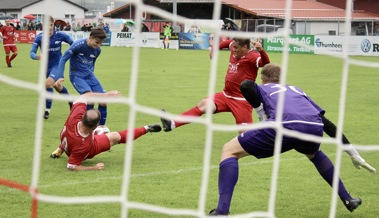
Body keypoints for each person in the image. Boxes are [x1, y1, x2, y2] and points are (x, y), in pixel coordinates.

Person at [208, 64, 376, 215]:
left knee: (229, 150)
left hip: (282, 125)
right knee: (314, 153)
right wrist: (352, 152)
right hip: (312, 127)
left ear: (262, 78)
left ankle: (222, 211)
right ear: (281, 79)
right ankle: (348, 199)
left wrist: (261, 114)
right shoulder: (297, 90)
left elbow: (245, 85)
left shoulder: (264, 88)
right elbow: (326, 123)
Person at [160, 38, 270, 133]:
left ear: (245, 47)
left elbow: (266, 64)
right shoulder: (233, 46)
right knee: (204, 105)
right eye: (233, 47)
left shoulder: (253, 56)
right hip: (225, 95)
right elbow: (228, 43)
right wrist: (215, 49)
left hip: (241, 100)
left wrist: (261, 51)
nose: (233, 49)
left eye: (236, 48)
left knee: (246, 136)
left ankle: (268, 134)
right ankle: (172, 124)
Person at [50, 85, 162, 171]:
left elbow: (84, 96)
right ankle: (62, 148)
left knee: (112, 135)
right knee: (114, 137)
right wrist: (94, 167)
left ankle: (147, 128)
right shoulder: (83, 146)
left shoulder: (76, 116)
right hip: (81, 148)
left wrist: (105, 95)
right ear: (95, 126)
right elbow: (72, 166)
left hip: (69, 139)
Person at [53, 28, 109, 125]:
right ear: (91, 38)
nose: (98, 45)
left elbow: (92, 63)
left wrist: (91, 74)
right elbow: (63, 59)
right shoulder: (78, 45)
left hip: (90, 75)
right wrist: (60, 76)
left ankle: (101, 128)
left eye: (100, 43)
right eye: (97, 42)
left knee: (103, 101)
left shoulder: (97, 50)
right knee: (90, 98)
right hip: (77, 76)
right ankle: (83, 126)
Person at [30, 16, 74, 119]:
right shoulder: (39, 37)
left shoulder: (60, 35)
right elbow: (31, 53)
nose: (50, 27)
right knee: (57, 86)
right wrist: (37, 56)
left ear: (53, 25)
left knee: (47, 84)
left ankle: (47, 111)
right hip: (46, 67)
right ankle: (71, 101)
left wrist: (70, 55)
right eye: (47, 25)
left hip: (58, 65)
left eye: (51, 25)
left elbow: (73, 44)